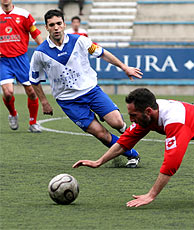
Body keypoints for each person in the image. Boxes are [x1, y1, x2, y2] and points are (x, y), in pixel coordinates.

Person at [29, 9, 143, 167]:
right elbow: (34, 80)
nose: (56, 27)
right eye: (52, 25)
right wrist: (44, 102)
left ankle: (125, 133)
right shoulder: (40, 53)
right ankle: (132, 155)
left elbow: (102, 53)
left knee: (116, 122)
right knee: (101, 134)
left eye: (59, 24)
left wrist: (124, 67)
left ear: (64, 24)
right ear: (46, 28)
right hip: (68, 101)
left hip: (91, 91)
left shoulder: (79, 41)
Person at [0, 0, 43, 132]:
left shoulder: (23, 14)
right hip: (3, 60)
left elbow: (35, 33)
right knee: (8, 93)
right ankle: (13, 114)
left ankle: (33, 122)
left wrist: (44, 50)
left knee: (31, 91)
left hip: (21, 59)